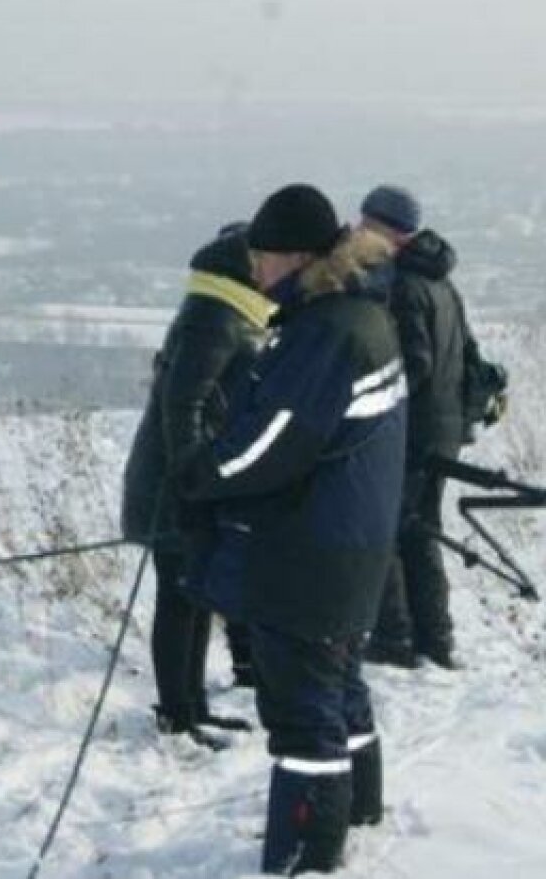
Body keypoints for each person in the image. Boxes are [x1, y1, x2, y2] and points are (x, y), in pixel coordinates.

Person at [176, 184, 407, 875]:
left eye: (264, 256)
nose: (256, 269)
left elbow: (267, 444)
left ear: (299, 256)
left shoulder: (327, 334)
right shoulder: (360, 312)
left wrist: (197, 476)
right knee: (340, 688)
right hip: (351, 546)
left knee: (305, 715)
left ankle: (305, 856)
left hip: (312, 557)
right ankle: (360, 808)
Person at [121, 223, 274, 748]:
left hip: (187, 480)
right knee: (179, 595)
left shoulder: (231, 313)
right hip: (173, 484)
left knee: (193, 594)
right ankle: (177, 714)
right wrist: (190, 476)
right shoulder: (215, 317)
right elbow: (181, 403)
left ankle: (193, 707)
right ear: (246, 265)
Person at [359, 184, 478, 669]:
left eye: (367, 224)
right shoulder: (442, 282)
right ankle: (436, 639)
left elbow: (415, 364)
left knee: (386, 529)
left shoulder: (403, 285)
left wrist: (373, 403)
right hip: (444, 429)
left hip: (412, 431)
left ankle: (394, 639)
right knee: (422, 531)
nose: (360, 232)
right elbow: (469, 357)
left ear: (388, 229)